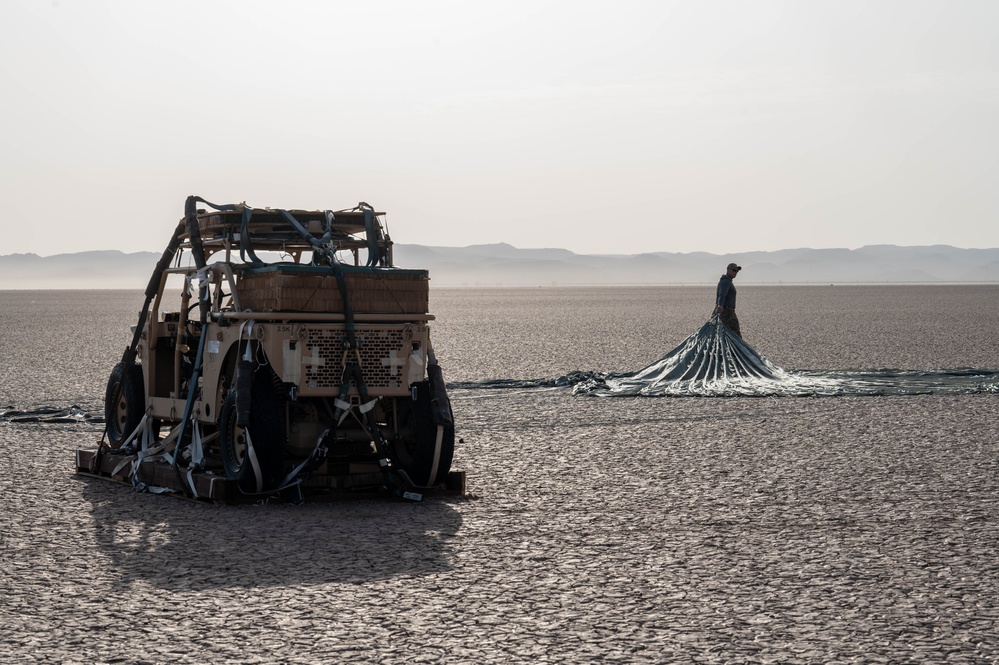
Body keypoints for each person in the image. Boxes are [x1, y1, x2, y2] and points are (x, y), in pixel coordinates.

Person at [715, 262, 742, 337]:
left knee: (724, 332)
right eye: (733, 270)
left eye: (737, 271)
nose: (735, 272)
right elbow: (722, 294)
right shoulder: (726, 281)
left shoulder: (727, 281)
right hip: (726, 310)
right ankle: (738, 348)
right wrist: (720, 305)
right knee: (735, 331)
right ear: (728, 270)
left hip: (726, 309)